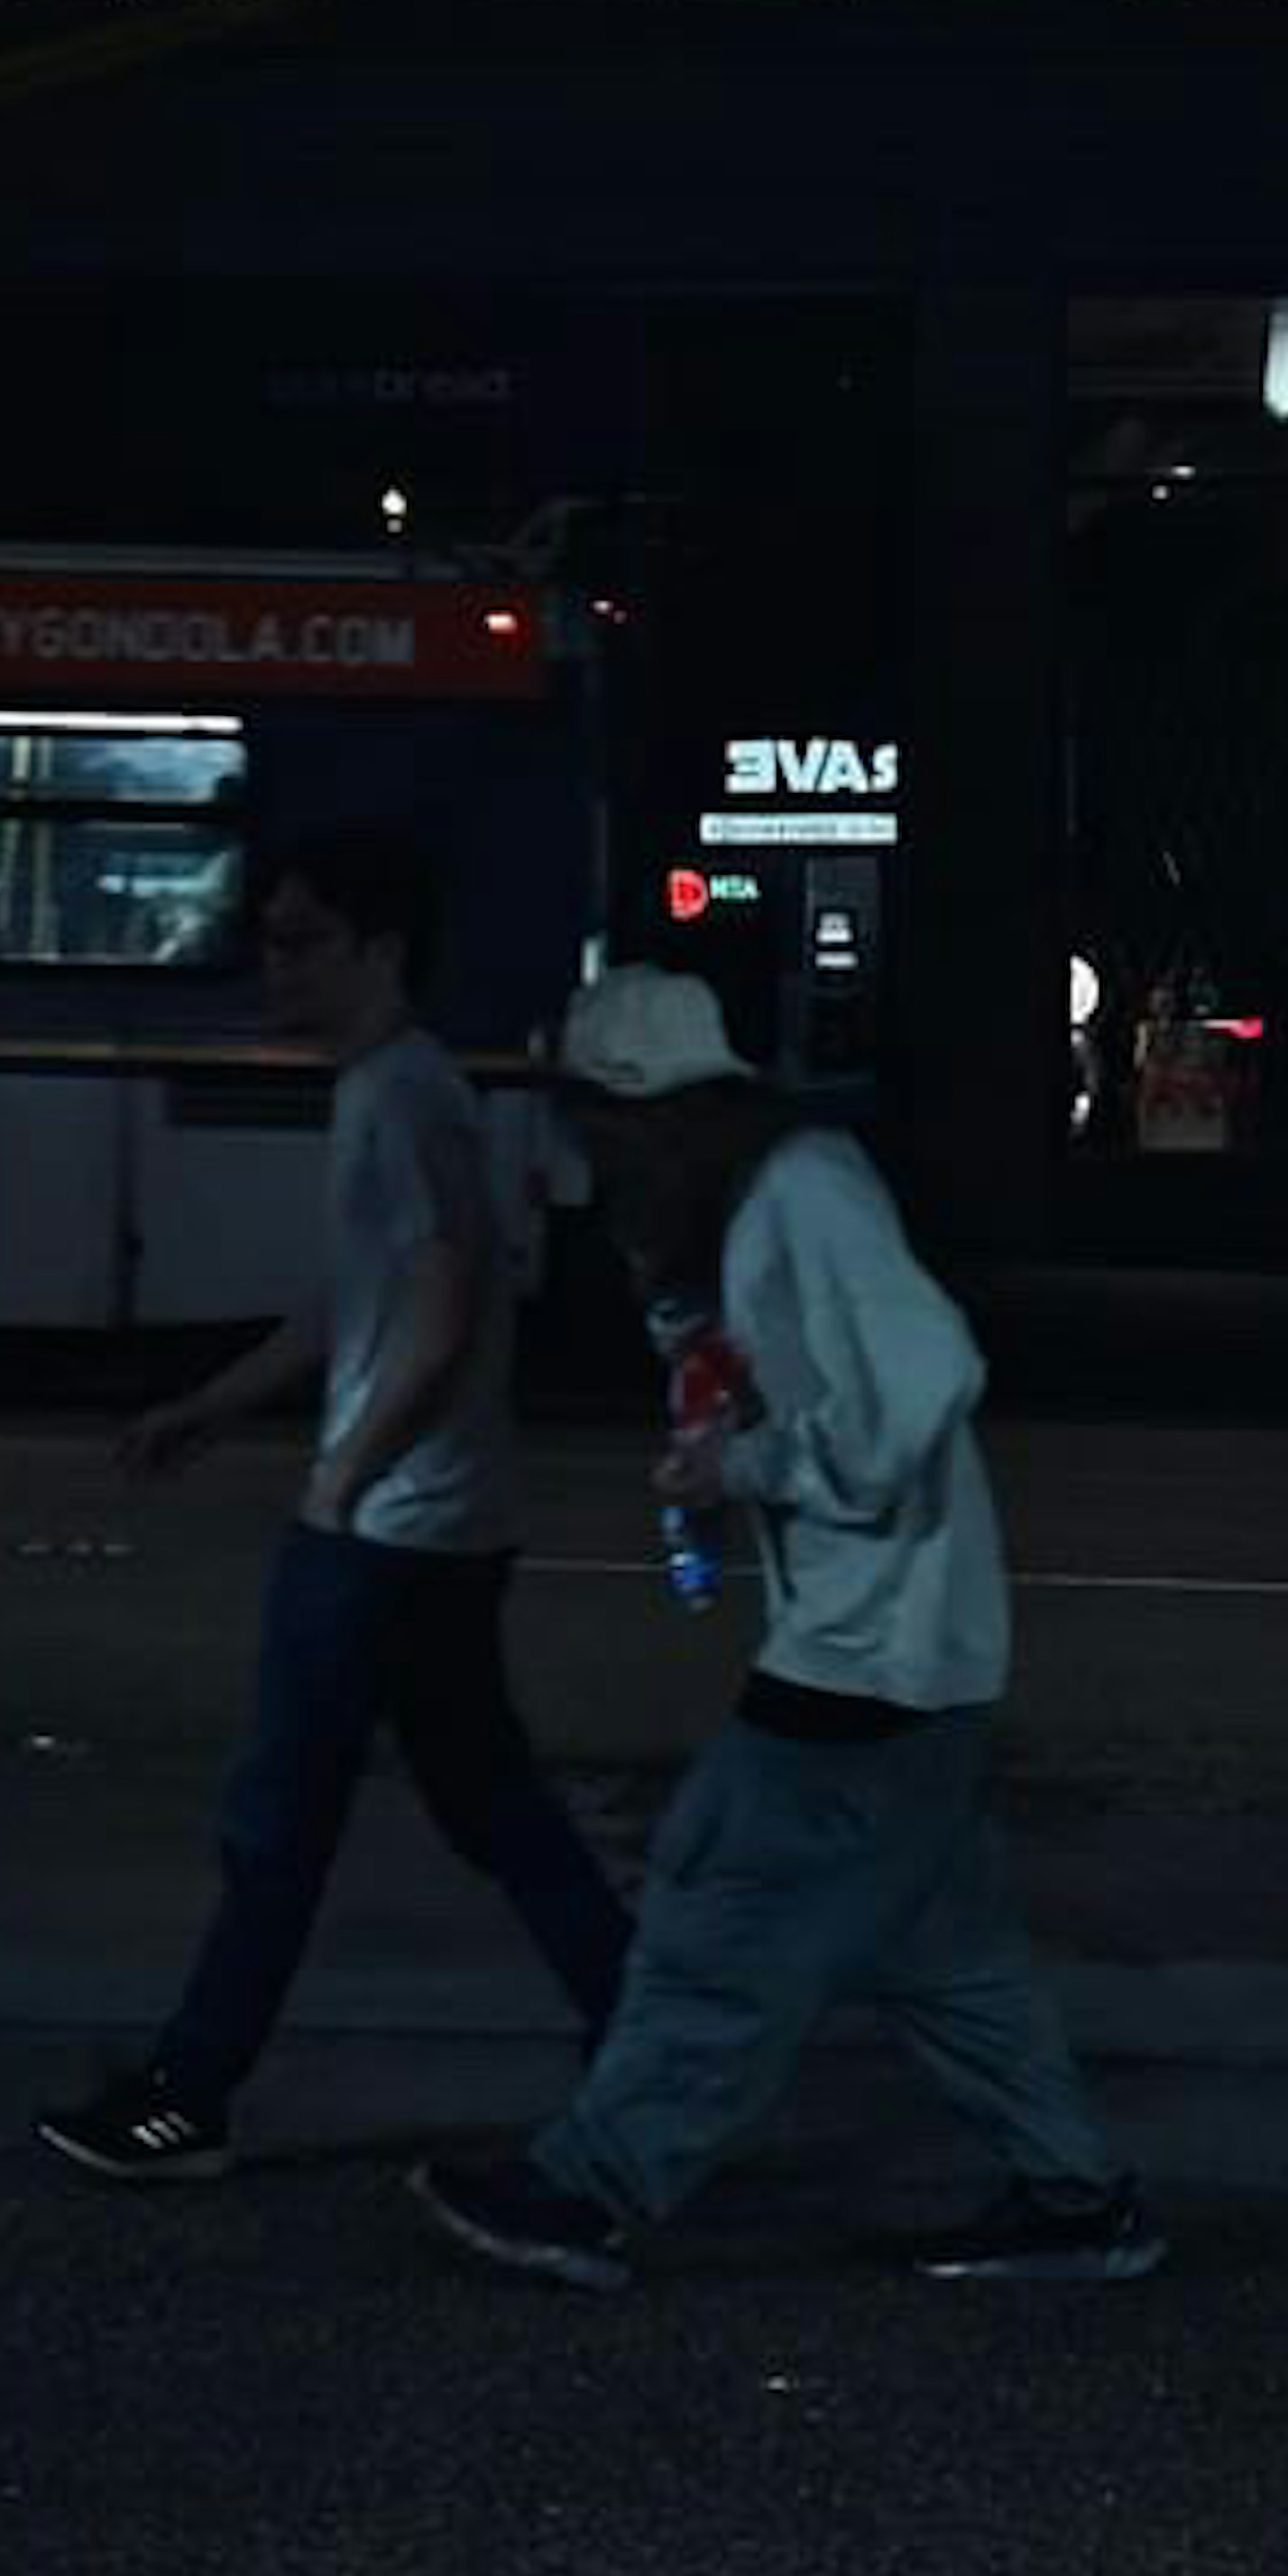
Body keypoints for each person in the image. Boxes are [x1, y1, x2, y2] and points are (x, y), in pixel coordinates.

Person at [412, 963, 1162, 2293]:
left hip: (871, 1647)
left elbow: (925, 1374)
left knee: (719, 1899)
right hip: (904, 1645)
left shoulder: (800, 1191)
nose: (577, 1151)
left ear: (636, 1110)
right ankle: (1080, 2198)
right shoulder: (753, 1195)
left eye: (587, 1118)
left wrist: (752, 1467)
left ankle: (591, 2187)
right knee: (948, 1959)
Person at [37, 823, 631, 2179]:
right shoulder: (405, 1088)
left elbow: (437, 1303)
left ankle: (187, 2094)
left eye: (302, 938)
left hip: (383, 1536)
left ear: (381, 949)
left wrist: (344, 1473)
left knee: (277, 1820)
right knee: (492, 1805)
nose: (272, 963)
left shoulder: (399, 1097)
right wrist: (215, 1404)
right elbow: (360, 1300)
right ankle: (643, 2034)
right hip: (441, 1529)